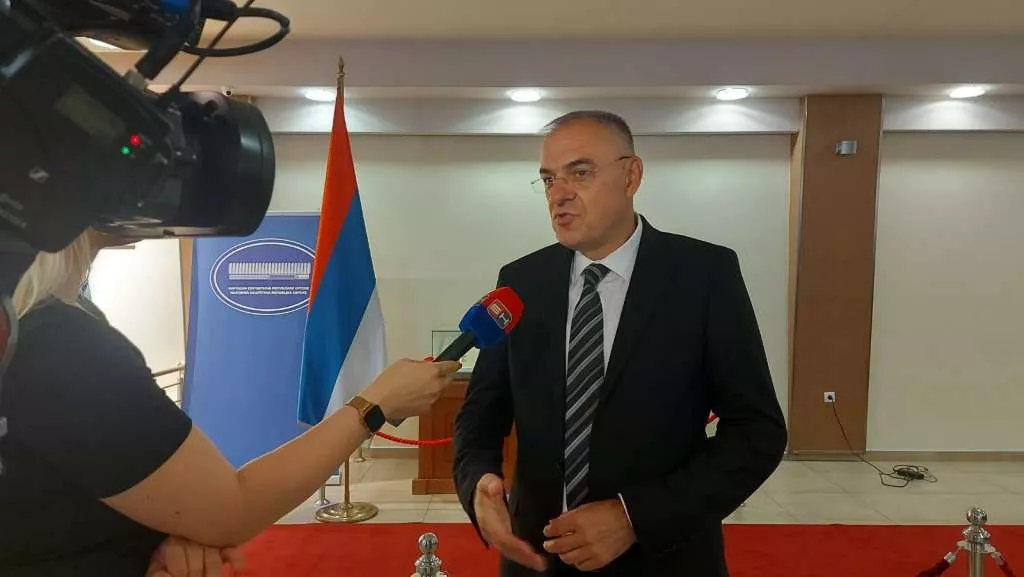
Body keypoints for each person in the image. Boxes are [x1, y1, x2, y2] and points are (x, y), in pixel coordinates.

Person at [0, 229, 461, 576]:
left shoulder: (37, 326)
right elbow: (232, 510)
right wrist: (376, 403)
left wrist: (170, 534)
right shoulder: (60, 343)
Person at [453, 110, 788, 576]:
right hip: (537, 557)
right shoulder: (521, 281)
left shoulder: (704, 275)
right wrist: (478, 484)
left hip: (664, 559)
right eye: (548, 179)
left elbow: (757, 432)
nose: (558, 194)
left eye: (580, 172)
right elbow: (480, 415)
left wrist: (635, 517)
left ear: (631, 176)